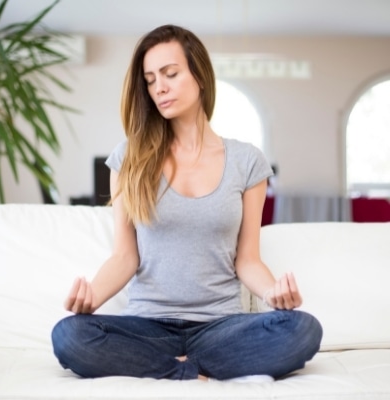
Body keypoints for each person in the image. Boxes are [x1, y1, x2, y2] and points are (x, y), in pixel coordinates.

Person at [51, 24, 322, 382]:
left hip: (220, 327)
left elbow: (247, 259)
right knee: (69, 335)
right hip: (147, 326)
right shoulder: (128, 158)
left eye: (170, 74)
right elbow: (124, 256)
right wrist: (91, 300)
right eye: (149, 80)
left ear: (200, 75)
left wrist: (274, 294)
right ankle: (189, 371)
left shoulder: (247, 161)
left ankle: (173, 369)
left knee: (303, 329)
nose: (159, 87)